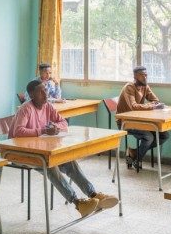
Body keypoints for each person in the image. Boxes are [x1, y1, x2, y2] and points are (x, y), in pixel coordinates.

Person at [10, 80, 118, 217]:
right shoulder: (26, 109)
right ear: (31, 95)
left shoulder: (47, 106)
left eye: (45, 90)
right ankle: (78, 202)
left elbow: (63, 122)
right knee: (50, 166)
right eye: (40, 91)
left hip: (41, 151)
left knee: (69, 162)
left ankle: (94, 194)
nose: (45, 94)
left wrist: (56, 128)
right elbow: (18, 132)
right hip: (19, 153)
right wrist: (42, 130)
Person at [116, 66, 168, 170]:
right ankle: (137, 160)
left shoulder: (145, 86)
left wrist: (152, 105)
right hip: (126, 122)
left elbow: (156, 100)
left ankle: (134, 153)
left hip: (139, 121)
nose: (145, 77)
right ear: (135, 76)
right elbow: (133, 106)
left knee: (164, 135)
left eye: (146, 75)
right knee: (149, 137)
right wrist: (151, 106)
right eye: (142, 75)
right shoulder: (129, 87)